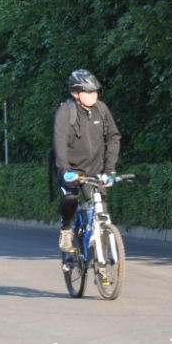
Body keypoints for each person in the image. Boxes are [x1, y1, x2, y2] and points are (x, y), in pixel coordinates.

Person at [52, 69, 121, 252]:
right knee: (71, 197)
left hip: (95, 170)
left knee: (101, 209)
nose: (93, 95)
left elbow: (113, 137)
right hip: (70, 170)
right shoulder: (65, 112)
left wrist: (109, 170)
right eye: (88, 92)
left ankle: (101, 257)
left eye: (95, 91)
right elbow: (60, 143)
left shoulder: (102, 109)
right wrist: (65, 170)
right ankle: (66, 229)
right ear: (76, 93)